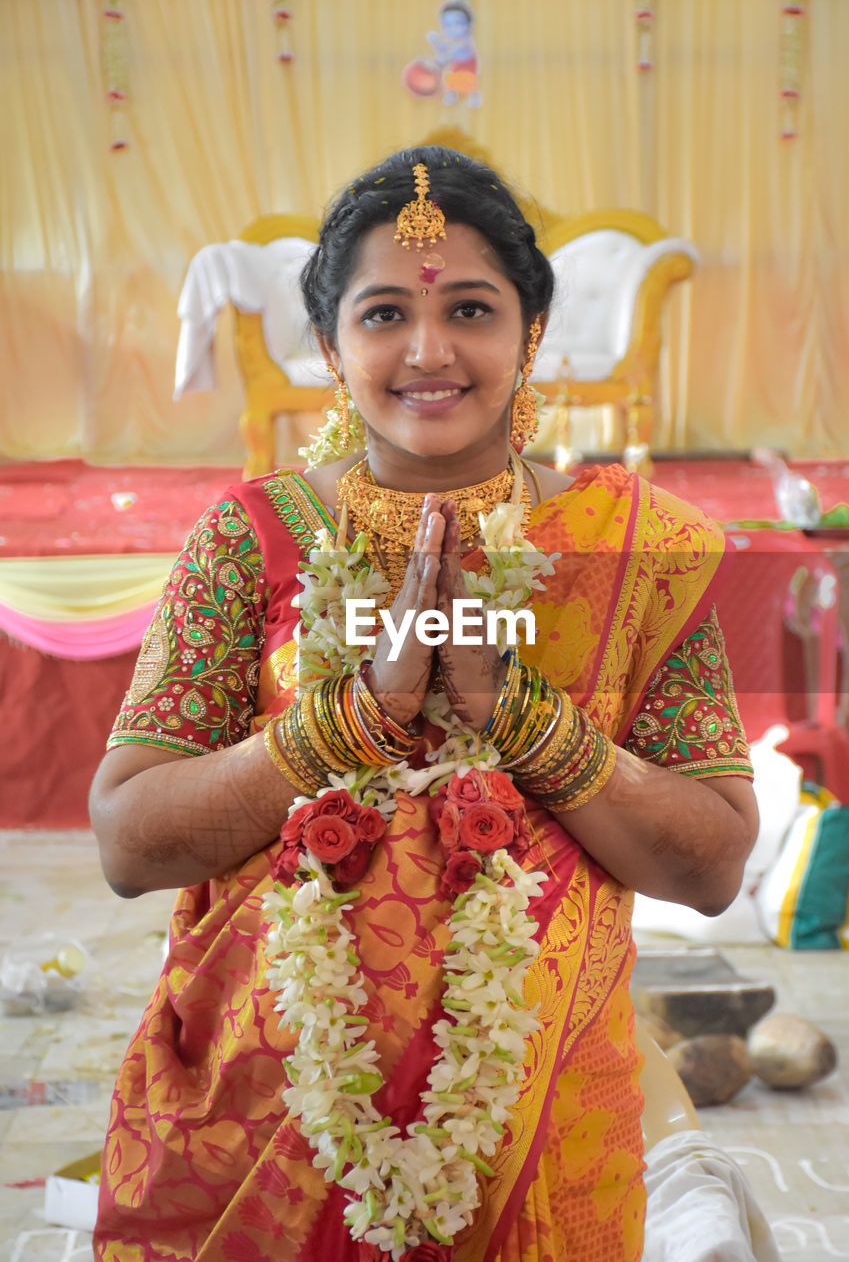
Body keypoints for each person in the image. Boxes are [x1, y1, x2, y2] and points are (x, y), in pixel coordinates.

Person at [89, 145, 758, 1262]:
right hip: (264, 1112)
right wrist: (347, 719)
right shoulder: (247, 541)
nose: (429, 349)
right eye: (385, 311)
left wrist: (517, 711)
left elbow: (707, 865)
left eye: (471, 309)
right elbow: (126, 839)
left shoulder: (635, 550)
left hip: (542, 1123)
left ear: (530, 334)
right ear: (327, 345)